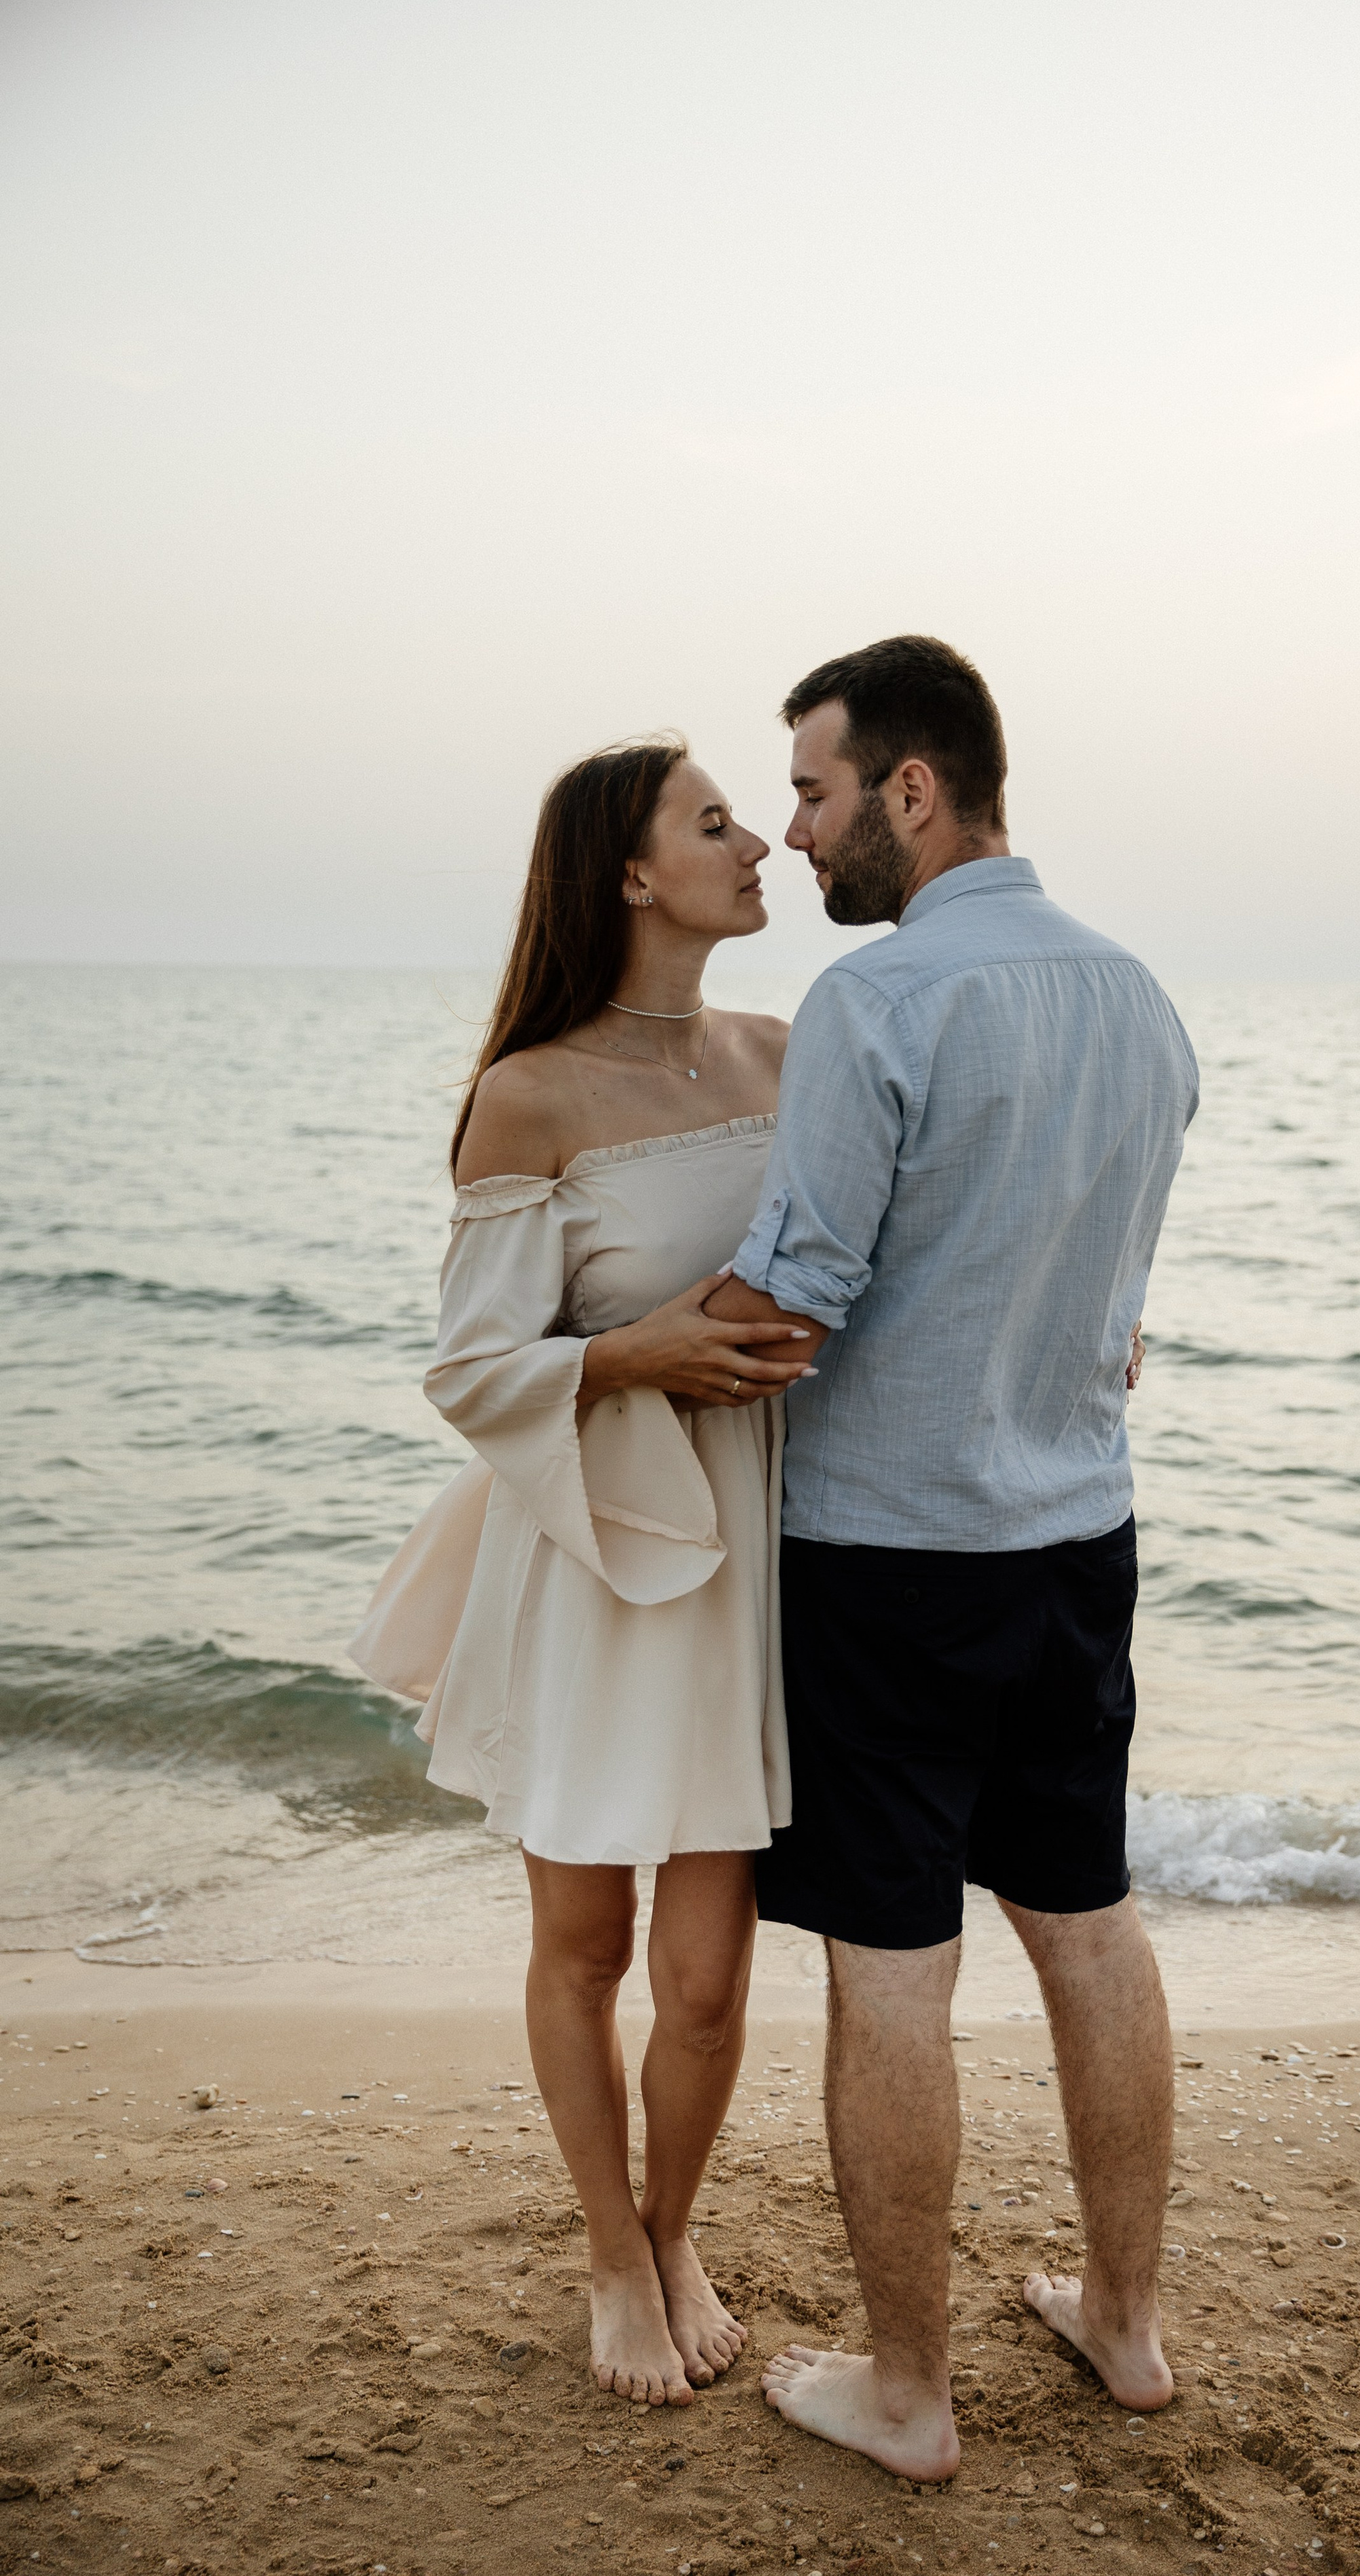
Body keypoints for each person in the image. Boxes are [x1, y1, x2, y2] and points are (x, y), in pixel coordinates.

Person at [701, 636, 1200, 2480]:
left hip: (885, 1564)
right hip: (1077, 1541)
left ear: (912, 790)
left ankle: (908, 2395)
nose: (794, 831)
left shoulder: (880, 1000)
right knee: (1088, 1924)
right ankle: (1125, 2329)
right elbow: (1114, 1305)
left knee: (891, 1967)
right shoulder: (1141, 1000)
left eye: (814, 792)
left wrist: (586, 1351)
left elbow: (793, 1304)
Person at [350, 738, 823, 2409]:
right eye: (715, 823)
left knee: (706, 1977)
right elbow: (474, 1368)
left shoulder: (787, 1052)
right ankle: (610, 2256)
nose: (757, 843)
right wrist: (636, 1354)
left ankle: (673, 2229)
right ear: (629, 875)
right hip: (594, 1553)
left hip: (748, 1560)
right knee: (586, 1943)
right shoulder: (530, 1093)